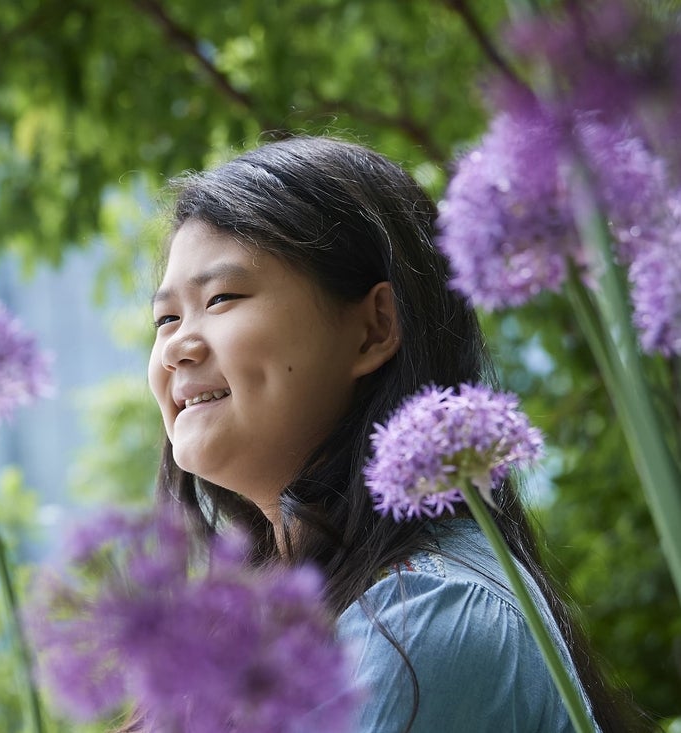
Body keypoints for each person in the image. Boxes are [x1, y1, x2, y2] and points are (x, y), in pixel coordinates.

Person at [145, 136, 643, 731]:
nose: (176, 346)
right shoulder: (276, 625)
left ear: (374, 327)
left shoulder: (426, 623)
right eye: (166, 317)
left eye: (221, 298)